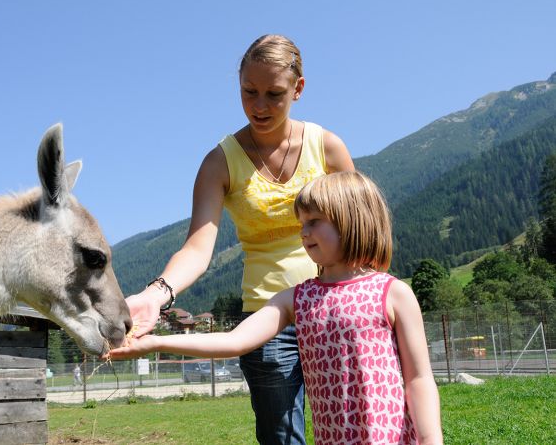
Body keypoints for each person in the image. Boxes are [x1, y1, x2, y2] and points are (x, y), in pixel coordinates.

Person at [122, 34, 354, 444]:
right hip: (265, 320)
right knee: (281, 437)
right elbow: (198, 246)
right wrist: (157, 294)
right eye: (249, 92)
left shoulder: (328, 148)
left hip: (333, 309)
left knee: (354, 427)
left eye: (274, 94)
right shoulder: (219, 162)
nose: (259, 106)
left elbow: (359, 231)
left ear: (298, 89)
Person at [109, 171, 443, 444]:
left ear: (352, 220)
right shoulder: (295, 300)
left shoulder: (394, 293)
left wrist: (431, 439)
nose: (303, 232)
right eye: (302, 223)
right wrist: (155, 342)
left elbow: (419, 378)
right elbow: (234, 341)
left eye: (314, 221)